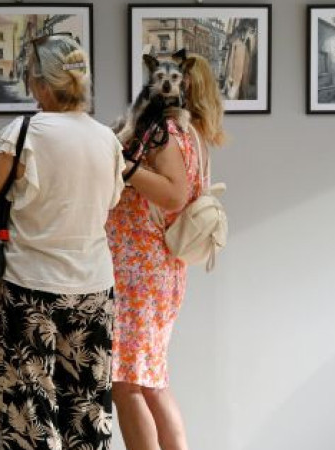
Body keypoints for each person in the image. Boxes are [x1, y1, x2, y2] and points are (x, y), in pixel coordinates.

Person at [0, 34, 125, 450]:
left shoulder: (24, 133)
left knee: (28, 413)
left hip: (30, 287)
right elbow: (110, 203)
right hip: (94, 290)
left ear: (41, 83)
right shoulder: (107, 139)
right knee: (87, 411)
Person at [106, 53, 226, 450]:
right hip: (156, 270)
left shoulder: (165, 133)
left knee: (127, 384)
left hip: (141, 272)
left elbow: (174, 194)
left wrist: (125, 167)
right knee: (150, 381)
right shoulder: (190, 134)